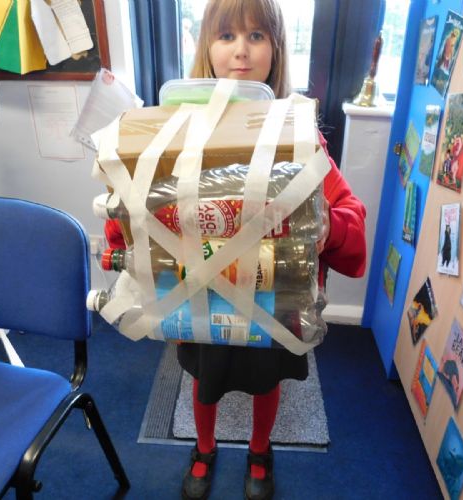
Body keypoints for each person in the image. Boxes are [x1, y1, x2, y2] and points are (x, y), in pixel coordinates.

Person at [105, 1, 366, 498]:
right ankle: (203, 447)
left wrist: (329, 225)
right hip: (199, 293)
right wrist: (125, 225)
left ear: (276, 48)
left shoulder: (296, 132)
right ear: (207, 47)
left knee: (266, 378)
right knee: (205, 378)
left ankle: (259, 449)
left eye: (256, 36)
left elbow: (347, 211)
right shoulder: (172, 132)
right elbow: (133, 210)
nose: (241, 51)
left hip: (270, 295)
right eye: (226, 36)